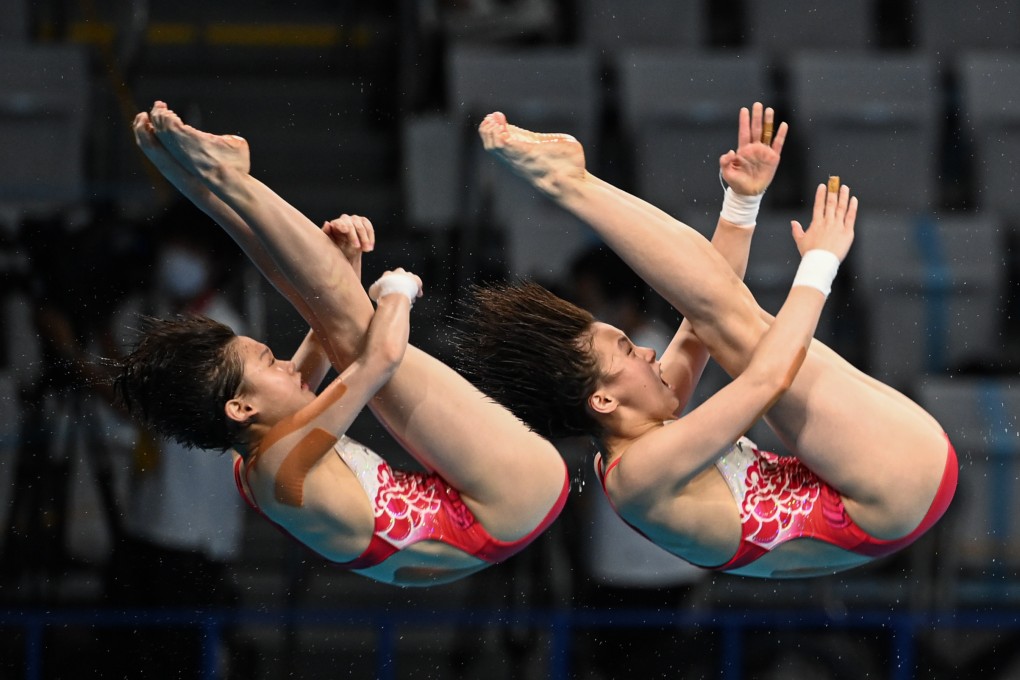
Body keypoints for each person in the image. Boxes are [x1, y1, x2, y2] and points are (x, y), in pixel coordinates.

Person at [458, 105, 958, 579]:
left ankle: (572, 182)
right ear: (603, 398)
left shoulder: (640, 434)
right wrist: (821, 263)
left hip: (892, 482)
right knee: (743, 330)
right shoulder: (638, 475)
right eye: (629, 352)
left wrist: (741, 203)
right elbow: (767, 378)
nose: (649, 351)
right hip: (888, 492)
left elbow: (700, 321)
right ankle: (567, 183)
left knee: (725, 320)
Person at [115, 101, 569, 588]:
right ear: (240, 406)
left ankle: (199, 182)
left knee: (333, 314)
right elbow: (380, 358)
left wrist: (345, 265)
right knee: (355, 327)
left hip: (486, 515)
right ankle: (226, 182)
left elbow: (321, 320)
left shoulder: (256, 453)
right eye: (269, 361)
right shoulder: (281, 469)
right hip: (505, 502)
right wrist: (398, 292)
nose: (288, 366)